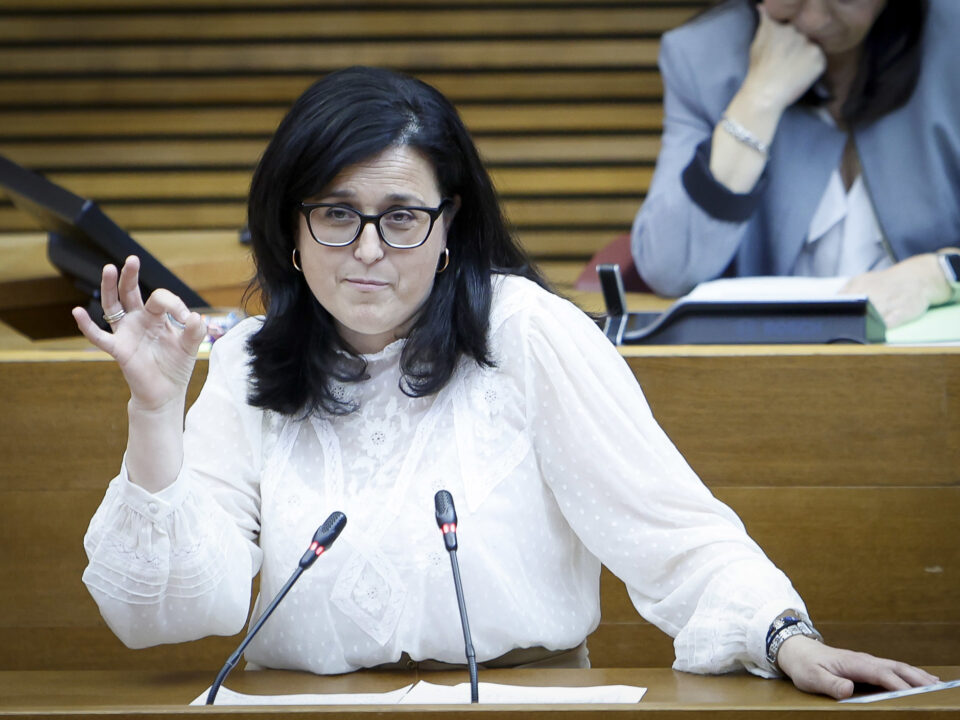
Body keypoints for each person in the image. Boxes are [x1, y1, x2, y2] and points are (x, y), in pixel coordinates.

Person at [74, 66, 935, 700]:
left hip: (520, 703)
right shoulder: (247, 360)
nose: (367, 249)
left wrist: (784, 638)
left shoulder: (527, 334)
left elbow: (675, 535)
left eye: (401, 217)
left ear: (450, 224)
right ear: (290, 228)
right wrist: (155, 413)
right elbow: (176, 613)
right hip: (303, 706)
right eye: (336, 214)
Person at [631, 0, 960, 328]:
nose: (814, 20)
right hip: (776, 349)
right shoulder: (703, 55)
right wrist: (759, 98)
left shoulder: (951, 39)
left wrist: (938, 274)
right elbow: (670, 268)